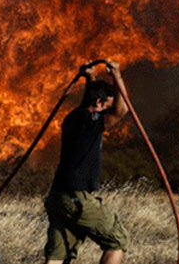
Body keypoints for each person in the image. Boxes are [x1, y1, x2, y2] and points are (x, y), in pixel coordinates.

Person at [43, 60, 131, 264]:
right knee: (117, 241)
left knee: (57, 256)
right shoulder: (91, 123)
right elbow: (122, 110)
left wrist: (90, 77)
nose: (107, 112)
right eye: (106, 107)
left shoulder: (73, 117)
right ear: (99, 103)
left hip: (58, 197)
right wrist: (117, 75)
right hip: (78, 198)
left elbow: (89, 102)